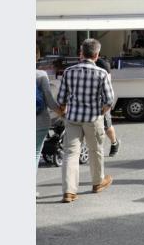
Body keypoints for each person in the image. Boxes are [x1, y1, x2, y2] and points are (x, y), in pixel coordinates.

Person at [56, 39, 114, 203]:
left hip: (73, 118)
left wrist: (65, 110)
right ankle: (97, 182)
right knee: (95, 150)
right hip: (93, 118)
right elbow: (109, 100)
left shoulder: (69, 71)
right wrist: (100, 112)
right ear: (97, 55)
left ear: (81, 53)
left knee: (70, 154)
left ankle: (69, 191)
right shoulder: (101, 73)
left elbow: (61, 98)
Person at [36, 48, 60, 194]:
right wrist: (61, 112)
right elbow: (49, 100)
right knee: (34, 153)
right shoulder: (40, 75)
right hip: (38, 121)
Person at [95, 58, 120, 156]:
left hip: (102, 100)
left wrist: (106, 104)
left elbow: (108, 82)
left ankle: (114, 143)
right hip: (89, 101)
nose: (80, 55)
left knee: (106, 126)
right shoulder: (81, 64)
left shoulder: (101, 63)